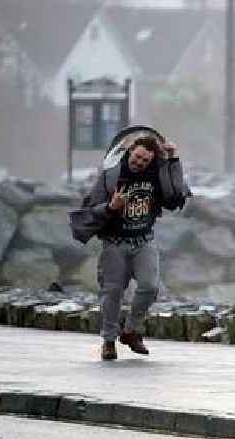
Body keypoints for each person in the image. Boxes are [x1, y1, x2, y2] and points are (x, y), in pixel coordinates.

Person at [78, 133, 184, 361]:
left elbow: (175, 196)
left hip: (144, 240)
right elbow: (90, 209)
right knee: (112, 292)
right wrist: (111, 207)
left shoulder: (157, 173)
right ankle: (108, 341)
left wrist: (173, 159)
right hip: (114, 243)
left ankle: (130, 331)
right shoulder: (111, 175)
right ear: (130, 151)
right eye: (137, 158)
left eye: (145, 161)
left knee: (150, 286)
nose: (140, 163)